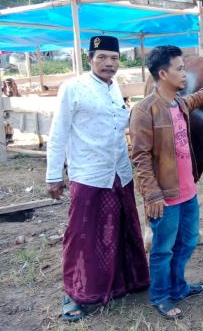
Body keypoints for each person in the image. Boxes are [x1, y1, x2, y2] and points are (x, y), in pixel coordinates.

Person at [46, 35, 150, 322]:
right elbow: (58, 133)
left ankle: (123, 284)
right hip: (89, 175)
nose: (109, 63)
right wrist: (54, 175)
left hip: (119, 174)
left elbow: (122, 123)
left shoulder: (115, 87)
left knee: (121, 231)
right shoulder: (73, 88)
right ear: (89, 59)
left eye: (114, 58)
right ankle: (75, 293)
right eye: (102, 57)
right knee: (83, 237)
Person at [129, 45, 203, 320]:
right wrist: (151, 195)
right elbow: (139, 156)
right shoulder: (144, 111)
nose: (185, 74)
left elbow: (195, 99)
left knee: (187, 242)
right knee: (162, 249)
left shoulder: (178, 103)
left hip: (187, 192)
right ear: (163, 73)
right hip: (165, 196)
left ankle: (178, 286)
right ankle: (160, 296)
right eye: (180, 69)